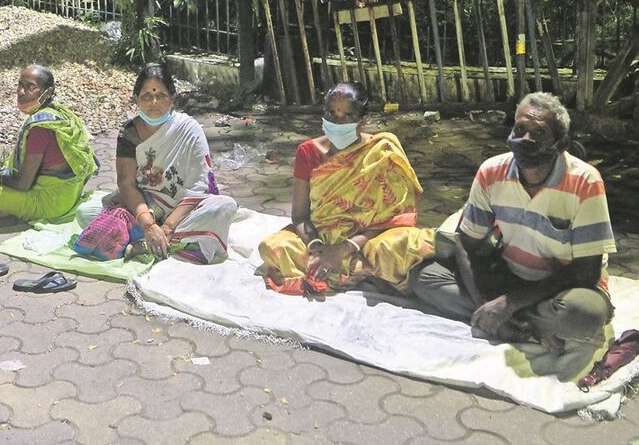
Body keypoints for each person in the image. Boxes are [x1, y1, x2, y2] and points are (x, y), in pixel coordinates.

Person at [410, 93, 615, 354]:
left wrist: (509, 304)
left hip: (563, 288)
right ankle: (520, 323)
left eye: (539, 133)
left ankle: (513, 319)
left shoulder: (585, 181)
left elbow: (586, 273)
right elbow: (466, 243)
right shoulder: (491, 171)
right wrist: (485, 303)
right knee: (424, 277)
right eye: (520, 129)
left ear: (561, 143)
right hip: (508, 278)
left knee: (584, 315)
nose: (526, 139)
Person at [258, 82, 435, 294]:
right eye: (331, 114)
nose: (338, 122)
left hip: (368, 239)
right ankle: (364, 272)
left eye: (348, 116)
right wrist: (316, 248)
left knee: (404, 245)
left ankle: (347, 269)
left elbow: (393, 218)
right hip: (322, 237)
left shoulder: (381, 151)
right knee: (273, 246)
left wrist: (345, 248)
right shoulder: (307, 152)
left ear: (363, 120)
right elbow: (300, 216)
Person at [77, 63, 236, 264]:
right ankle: (170, 240)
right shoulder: (130, 132)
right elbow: (126, 184)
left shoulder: (189, 129)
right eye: (146, 96)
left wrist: (166, 227)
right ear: (136, 99)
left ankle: (149, 243)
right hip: (145, 205)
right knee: (85, 213)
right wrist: (148, 224)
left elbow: (199, 186)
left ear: (172, 98)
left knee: (224, 207)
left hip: (183, 209)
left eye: (160, 95)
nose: (153, 102)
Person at [0, 65, 97, 223]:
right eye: (20, 84)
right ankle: (4, 205)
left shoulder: (40, 129)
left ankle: (0, 209)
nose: (21, 91)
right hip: (68, 196)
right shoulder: (61, 114)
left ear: (47, 93)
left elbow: (23, 185)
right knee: (5, 165)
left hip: (47, 206)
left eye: (30, 87)